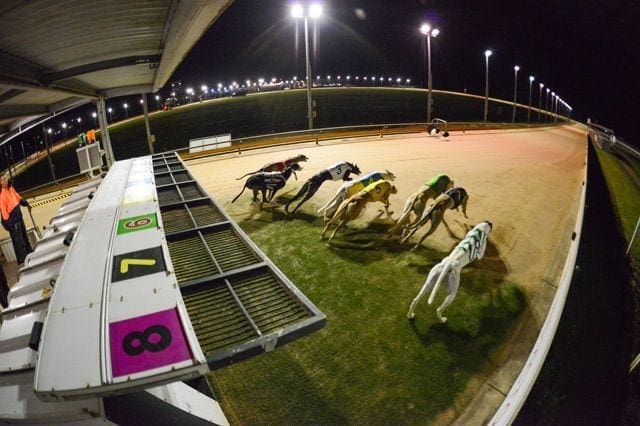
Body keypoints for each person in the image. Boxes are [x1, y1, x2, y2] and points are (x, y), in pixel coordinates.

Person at [0, 175, 33, 265]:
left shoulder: (11, 188)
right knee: (19, 240)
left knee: (24, 236)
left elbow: (17, 198)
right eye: (4, 179)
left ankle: (30, 253)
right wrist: (9, 224)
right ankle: (24, 259)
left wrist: (24, 202)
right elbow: (4, 213)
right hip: (13, 219)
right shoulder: (2, 196)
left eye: (6, 178)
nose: (6, 180)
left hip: (18, 215)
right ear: (1, 182)